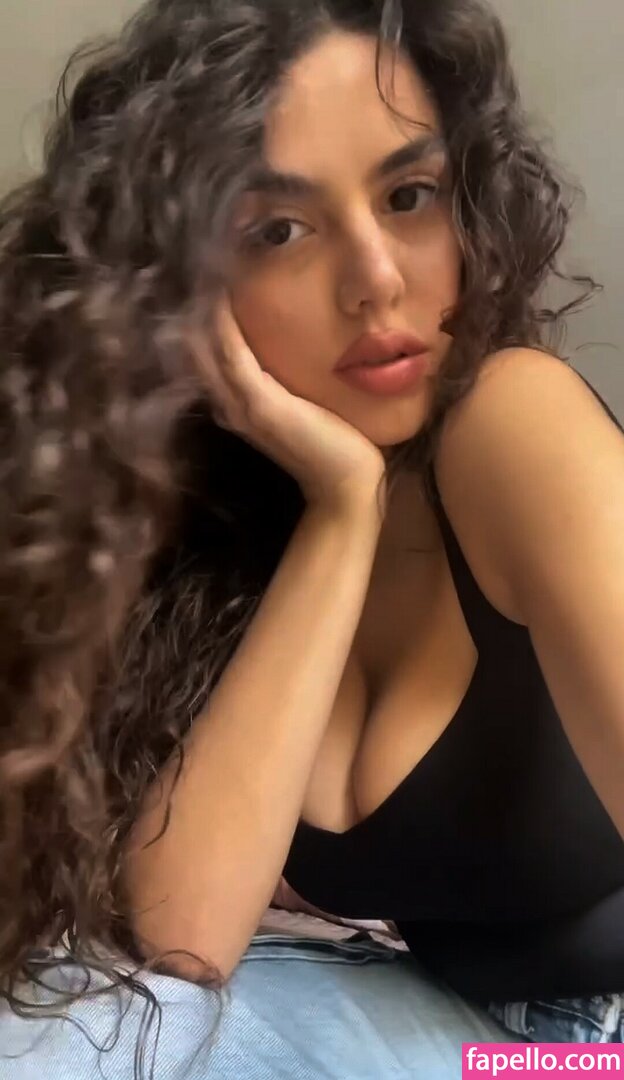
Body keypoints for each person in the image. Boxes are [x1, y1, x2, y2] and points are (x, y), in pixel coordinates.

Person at [1, 0, 623, 1076]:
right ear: (176, 288)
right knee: (70, 1018)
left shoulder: (516, 424)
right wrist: (342, 507)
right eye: (278, 230)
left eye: (409, 196)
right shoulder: (220, 542)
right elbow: (182, 943)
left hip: (590, 1049)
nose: (377, 276)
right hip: (453, 1030)